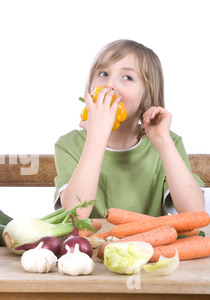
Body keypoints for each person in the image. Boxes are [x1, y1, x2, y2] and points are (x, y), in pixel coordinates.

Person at [54, 40, 205, 219]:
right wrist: (97, 135)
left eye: (127, 77)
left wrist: (163, 141)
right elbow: (75, 214)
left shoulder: (168, 141)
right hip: (94, 246)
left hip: (151, 246)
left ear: (147, 96)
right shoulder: (68, 145)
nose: (109, 84)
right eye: (103, 73)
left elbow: (195, 213)